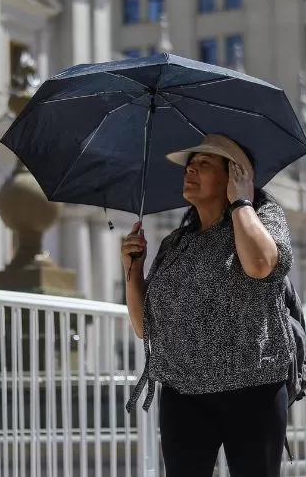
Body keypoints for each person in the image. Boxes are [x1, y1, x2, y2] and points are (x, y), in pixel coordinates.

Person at [121, 133, 295, 477]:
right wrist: (133, 268)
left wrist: (241, 204)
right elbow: (145, 326)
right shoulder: (176, 242)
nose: (190, 171)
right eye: (190, 165)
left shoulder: (264, 216)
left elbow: (261, 265)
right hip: (183, 394)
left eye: (204, 164)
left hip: (252, 388)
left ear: (234, 175)